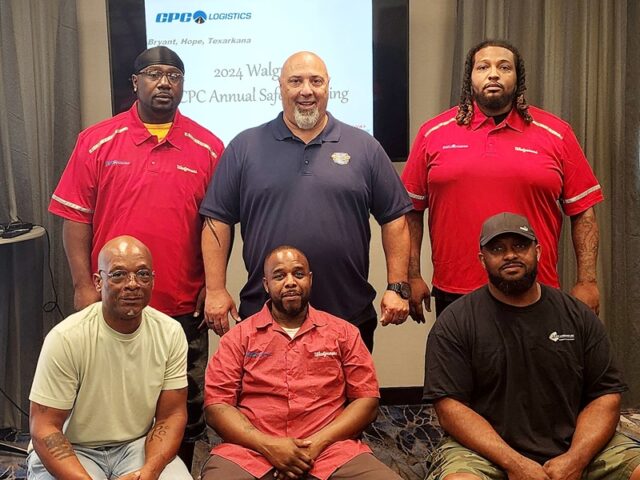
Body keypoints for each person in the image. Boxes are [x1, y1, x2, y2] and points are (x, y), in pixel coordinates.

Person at [48, 46, 224, 466]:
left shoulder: (209, 147)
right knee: (107, 402)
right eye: (153, 74)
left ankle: (172, 469)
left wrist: (214, 285)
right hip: (110, 306)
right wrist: (81, 288)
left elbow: (217, 224)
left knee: (183, 404)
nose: (164, 83)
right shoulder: (96, 141)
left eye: (174, 76)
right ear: (135, 82)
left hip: (181, 304)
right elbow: (75, 220)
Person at [199, 51, 413, 351]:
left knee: (351, 399)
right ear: (280, 87)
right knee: (267, 398)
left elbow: (395, 218)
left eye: (316, 81)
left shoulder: (364, 147)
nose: (306, 91)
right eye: (295, 81)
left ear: (328, 86)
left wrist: (397, 286)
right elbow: (216, 221)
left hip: (347, 315)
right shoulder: (243, 147)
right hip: (264, 317)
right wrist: (216, 289)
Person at [423, 212, 640, 480]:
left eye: (520, 245)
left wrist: (576, 459)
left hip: (574, 442)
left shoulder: (577, 315)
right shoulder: (455, 322)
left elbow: (606, 395)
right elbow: (449, 408)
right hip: (486, 451)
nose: (510, 255)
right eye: (498, 249)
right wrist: (514, 463)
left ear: (537, 251)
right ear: (483, 259)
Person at [401, 39, 603, 319]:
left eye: (504, 67)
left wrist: (588, 281)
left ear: (518, 78)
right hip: (456, 292)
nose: (493, 73)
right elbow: (411, 211)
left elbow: (583, 212)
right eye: (483, 67)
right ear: (470, 79)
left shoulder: (557, 134)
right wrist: (411, 275)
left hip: (535, 291)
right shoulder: (432, 133)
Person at [201, 246, 402, 480]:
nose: (290, 282)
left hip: (331, 451)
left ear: (310, 279)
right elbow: (217, 407)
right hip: (251, 452)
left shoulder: (344, 333)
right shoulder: (238, 338)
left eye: (298, 274)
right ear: (266, 284)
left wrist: (315, 444)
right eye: (279, 275)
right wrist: (268, 446)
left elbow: (366, 401)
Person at [28, 236, 191, 480]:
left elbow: (172, 415)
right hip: (73, 448)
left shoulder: (170, 333)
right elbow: (45, 427)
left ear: (153, 281)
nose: (133, 284)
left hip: (137, 446)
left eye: (143, 274)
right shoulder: (66, 337)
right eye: (118, 275)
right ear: (98, 281)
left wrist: (149, 472)